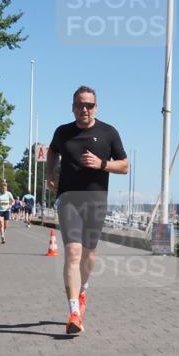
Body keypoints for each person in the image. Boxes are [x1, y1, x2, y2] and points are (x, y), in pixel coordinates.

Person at [46, 86, 128, 335]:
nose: (84, 109)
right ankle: (73, 313)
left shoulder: (108, 132)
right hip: (68, 198)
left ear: (96, 107)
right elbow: (52, 151)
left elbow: (124, 166)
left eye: (89, 105)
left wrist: (102, 164)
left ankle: (83, 291)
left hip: (96, 200)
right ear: (72, 106)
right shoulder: (63, 132)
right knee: (72, 252)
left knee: (88, 256)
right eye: (80, 104)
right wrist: (51, 172)